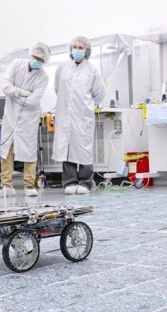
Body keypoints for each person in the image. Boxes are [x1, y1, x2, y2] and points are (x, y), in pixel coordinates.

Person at [0, 43, 51, 198]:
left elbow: (34, 101)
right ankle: (6, 186)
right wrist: (23, 93)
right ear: (30, 54)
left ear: (44, 61)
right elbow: (5, 86)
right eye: (35, 57)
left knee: (29, 150)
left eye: (40, 59)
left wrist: (15, 94)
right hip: (10, 116)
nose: (37, 61)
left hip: (28, 119)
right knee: (6, 148)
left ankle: (29, 185)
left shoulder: (43, 77)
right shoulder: (16, 64)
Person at [53, 36, 105, 195]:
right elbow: (57, 88)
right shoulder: (62, 67)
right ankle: (69, 181)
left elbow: (99, 94)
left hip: (83, 116)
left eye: (80, 47)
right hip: (64, 114)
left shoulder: (92, 69)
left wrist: (84, 104)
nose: (76, 50)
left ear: (86, 50)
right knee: (66, 147)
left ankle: (85, 182)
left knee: (84, 148)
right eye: (74, 47)